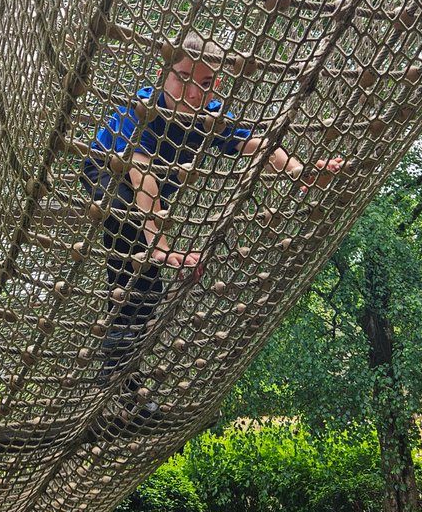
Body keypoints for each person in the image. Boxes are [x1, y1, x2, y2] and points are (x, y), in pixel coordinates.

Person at [81, 31, 343, 410]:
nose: (192, 94)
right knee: (135, 258)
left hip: (148, 197)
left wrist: (299, 171)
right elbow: (140, 176)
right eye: (182, 79)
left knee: (145, 289)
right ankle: (116, 373)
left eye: (204, 84)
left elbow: (257, 142)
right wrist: (161, 246)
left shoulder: (209, 116)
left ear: (216, 84)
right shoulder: (141, 109)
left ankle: (122, 381)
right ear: (163, 74)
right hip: (107, 172)